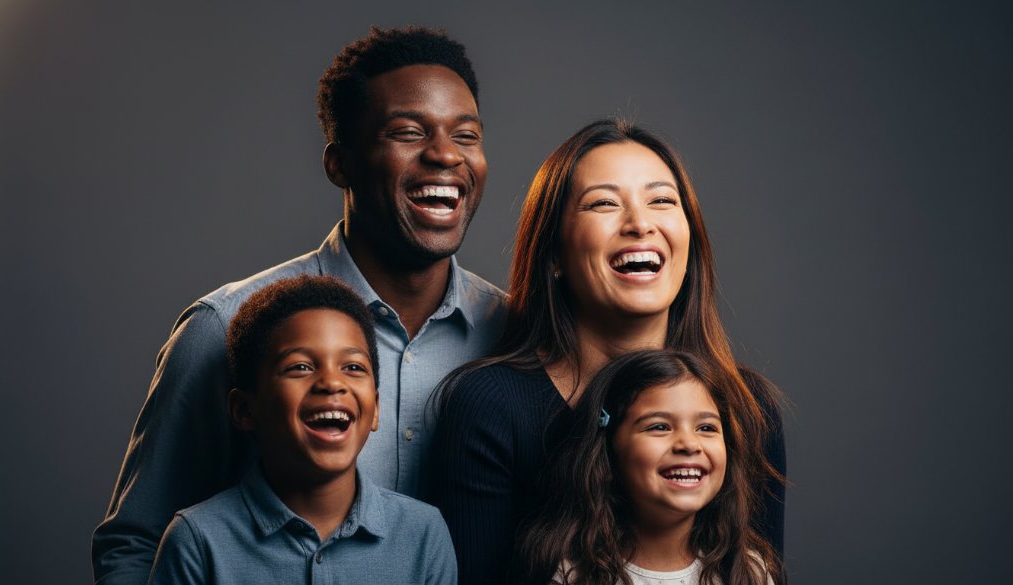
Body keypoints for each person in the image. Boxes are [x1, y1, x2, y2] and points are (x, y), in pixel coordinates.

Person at [94, 27, 505, 585]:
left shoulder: (516, 334)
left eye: (466, 135)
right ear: (340, 164)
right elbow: (135, 545)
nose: (444, 155)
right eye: (408, 132)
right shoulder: (225, 328)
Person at [429, 119, 785, 584]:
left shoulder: (747, 410)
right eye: (603, 203)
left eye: (661, 200)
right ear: (553, 254)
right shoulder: (491, 407)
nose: (640, 224)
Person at [148, 275, 457, 584]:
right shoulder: (197, 542)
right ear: (244, 410)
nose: (332, 383)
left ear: (375, 409)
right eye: (300, 367)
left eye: (352, 367)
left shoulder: (423, 535)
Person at [510, 350, 779, 585]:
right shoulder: (571, 575)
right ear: (609, 447)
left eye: (706, 428)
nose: (689, 444)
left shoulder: (748, 573)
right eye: (659, 427)